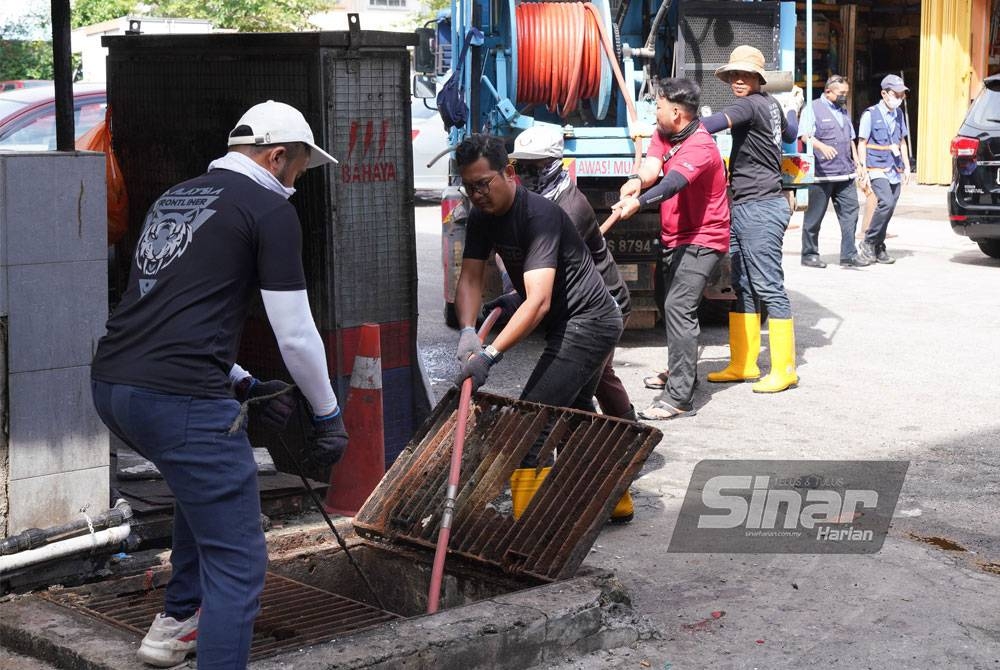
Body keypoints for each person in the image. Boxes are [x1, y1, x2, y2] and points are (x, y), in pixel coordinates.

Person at [90, 101, 349, 669]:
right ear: (277, 156)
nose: (298, 183)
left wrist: (241, 379)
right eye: (300, 169)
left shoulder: (177, 197)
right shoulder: (270, 209)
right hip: (177, 399)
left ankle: (176, 624)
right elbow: (297, 334)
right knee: (239, 562)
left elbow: (167, 311)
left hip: (114, 386)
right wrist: (328, 414)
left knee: (197, 486)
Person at [452, 134, 624, 519]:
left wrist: (491, 355)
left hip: (589, 323)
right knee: (576, 414)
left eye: (483, 184)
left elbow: (539, 301)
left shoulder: (539, 217)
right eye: (468, 187)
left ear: (508, 173)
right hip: (566, 320)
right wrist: (467, 330)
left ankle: (525, 530)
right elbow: (471, 278)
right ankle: (616, 499)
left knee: (530, 424)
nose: (477, 194)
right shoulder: (482, 216)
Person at [501, 125, 635, 422]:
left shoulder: (569, 207)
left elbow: (542, 268)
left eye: (535, 167)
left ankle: (626, 443)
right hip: (571, 304)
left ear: (552, 165)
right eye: (521, 166)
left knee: (583, 383)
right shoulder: (533, 201)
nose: (527, 173)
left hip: (604, 303)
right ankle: (613, 444)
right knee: (587, 381)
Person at [614, 78, 730, 419]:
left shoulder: (701, 146)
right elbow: (652, 168)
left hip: (703, 238)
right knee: (669, 304)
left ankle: (679, 398)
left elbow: (672, 183)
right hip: (673, 236)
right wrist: (636, 180)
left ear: (676, 112)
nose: (655, 112)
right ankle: (681, 370)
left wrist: (641, 202)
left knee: (680, 307)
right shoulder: (664, 133)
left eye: (659, 106)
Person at [699, 45, 801, 394]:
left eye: (745, 76)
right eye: (734, 76)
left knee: (769, 286)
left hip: (759, 206)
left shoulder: (748, 104)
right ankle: (743, 364)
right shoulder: (772, 105)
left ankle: (785, 369)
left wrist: (680, 125)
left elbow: (713, 124)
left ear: (758, 79)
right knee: (741, 285)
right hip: (747, 204)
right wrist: (795, 109)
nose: (738, 81)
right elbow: (790, 133)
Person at [798, 75, 871, 268]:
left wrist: (858, 163)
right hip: (822, 175)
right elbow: (804, 135)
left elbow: (850, 139)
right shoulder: (812, 109)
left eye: (846, 93)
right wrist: (821, 147)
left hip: (845, 173)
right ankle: (809, 254)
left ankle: (849, 254)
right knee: (814, 217)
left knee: (851, 213)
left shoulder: (843, 111)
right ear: (828, 91)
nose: (844, 97)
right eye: (841, 93)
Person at [856, 74, 912, 264]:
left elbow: (902, 141)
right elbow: (862, 142)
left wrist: (906, 166)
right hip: (876, 166)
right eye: (896, 94)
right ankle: (868, 241)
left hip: (894, 168)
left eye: (902, 95)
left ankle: (879, 245)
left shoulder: (899, 115)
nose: (899, 98)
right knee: (885, 202)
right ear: (884, 93)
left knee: (890, 207)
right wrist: (862, 168)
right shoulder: (870, 114)